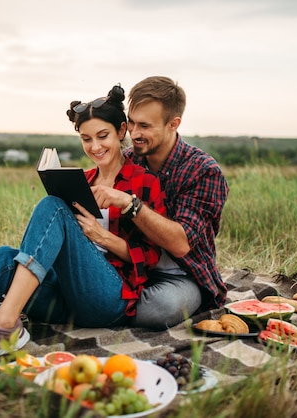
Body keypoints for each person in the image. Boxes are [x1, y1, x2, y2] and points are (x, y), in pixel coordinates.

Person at [0, 84, 167, 359]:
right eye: (86, 139)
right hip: (66, 299)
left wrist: (103, 238)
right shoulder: (83, 180)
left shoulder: (142, 181)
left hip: (107, 300)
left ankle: (5, 323)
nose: (95, 146)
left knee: (51, 206)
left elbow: (152, 256)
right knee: (5, 257)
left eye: (103, 136)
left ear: (121, 131)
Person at [92, 76, 229, 329]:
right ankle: (107, 305)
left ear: (173, 124)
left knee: (162, 308)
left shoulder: (203, 170)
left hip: (179, 274)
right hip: (129, 264)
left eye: (144, 126)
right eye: (131, 123)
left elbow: (181, 244)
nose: (133, 133)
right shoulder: (128, 158)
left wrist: (129, 204)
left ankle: (103, 308)